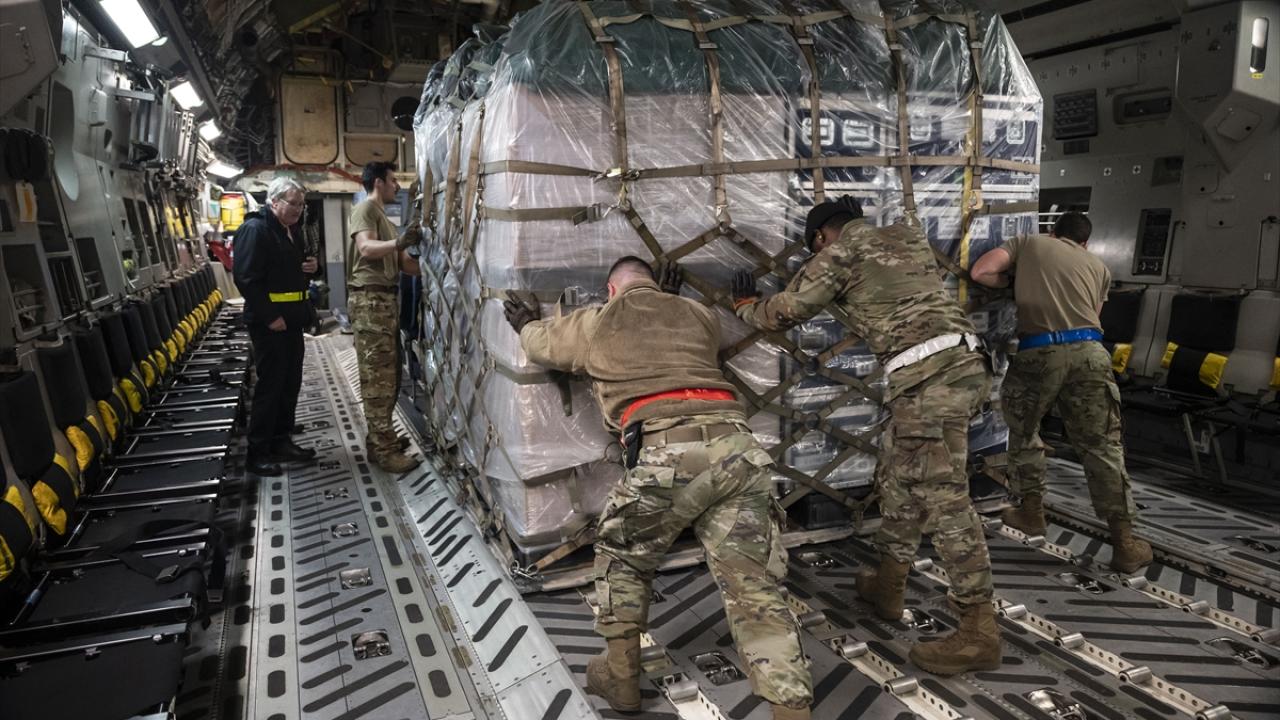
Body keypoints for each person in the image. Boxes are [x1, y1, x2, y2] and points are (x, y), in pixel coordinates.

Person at [505, 257, 813, 720]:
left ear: (611, 291)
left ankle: (622, 678)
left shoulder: (597, 320)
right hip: (738, 448)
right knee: (755, 587)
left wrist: (528, 324)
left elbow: (542, 345)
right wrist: (673, 298)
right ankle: (791, 709)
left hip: (667, 451)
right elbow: (674, 331)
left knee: (624, 556)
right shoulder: (699, 315)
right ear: (655, 284)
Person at [732, 196, 998, 676]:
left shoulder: (839, 254)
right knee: (899, 475)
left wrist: (748, 307)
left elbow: (787, 311)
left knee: (945, 501)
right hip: (965, 363)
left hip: (927, 378)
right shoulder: (908, 237)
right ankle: (888, 585)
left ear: (820, 238)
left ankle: (979, 630)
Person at [970, 211, 1152, 573]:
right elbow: (1093, 315)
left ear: (1053, 232)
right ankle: (1125, 543)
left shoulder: (1030, 243)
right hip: (1091, 354)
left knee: (1024, 431)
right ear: (1085, 242)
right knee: (1101, 446)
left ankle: (1031, 513)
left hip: (1040, 351)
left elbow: (981, 272)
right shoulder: (1099, 268)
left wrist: (1014, 283)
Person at [232, 177, 318, 476]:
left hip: (292, 321)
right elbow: (246, 279)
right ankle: (258, 453)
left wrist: (310, 267)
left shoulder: (289, 231)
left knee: (289, 383)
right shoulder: (255, 230)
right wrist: (270, 316)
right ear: (274, 201)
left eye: (301, 204)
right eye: (293, 203)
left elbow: (285, 272)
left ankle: (281, 441)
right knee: (270, 387)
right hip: (270, 325)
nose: (298, 209)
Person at [347, 161, 422, 474]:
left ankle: (381, 439)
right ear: (378, 182)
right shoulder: (365, 209)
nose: (397, 186)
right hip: (370, 302)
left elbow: (405, 265)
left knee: (389, 375)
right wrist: (399, 242)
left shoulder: (385, 220)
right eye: (393, 181)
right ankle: (384, 449)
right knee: (377, 377)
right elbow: (366, 249)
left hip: (384, 302)